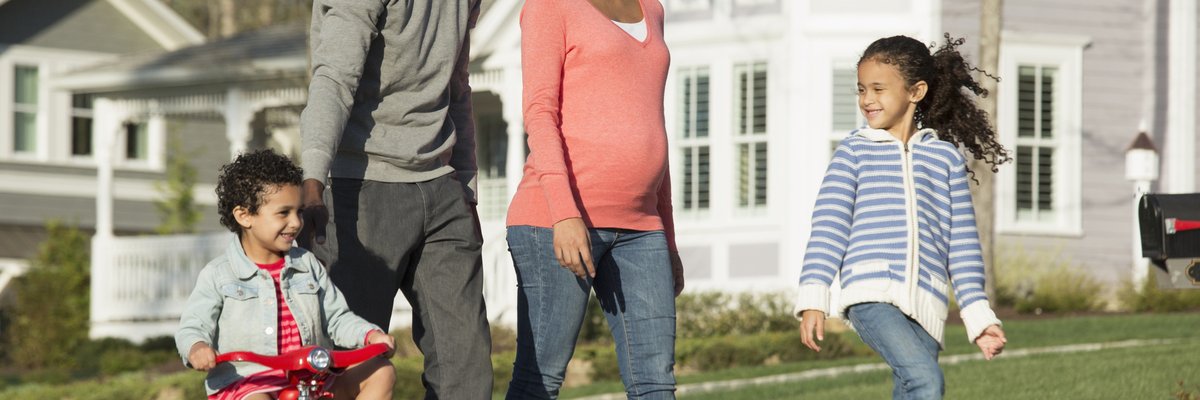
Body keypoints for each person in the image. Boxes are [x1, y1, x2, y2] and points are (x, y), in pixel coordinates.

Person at [795, 35, 1010, 400]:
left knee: (911, 389)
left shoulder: (945, 160)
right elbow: (829, 227)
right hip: (871, 294)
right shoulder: (853, 153)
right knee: (926, 381)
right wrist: (814, 296)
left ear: (916, 91)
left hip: (927, 302)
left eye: (878, 88)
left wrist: (979, 317)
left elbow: (962, 247)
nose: (867, 99)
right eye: (862, 89)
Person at [296, 1, 493, 397]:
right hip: (361, 188)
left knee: (466, 365)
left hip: (442, 186)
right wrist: (313, 179)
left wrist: (466, 185)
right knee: (352, 369)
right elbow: (334, 77)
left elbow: (456, 84)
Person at [505, 0, 684, 398]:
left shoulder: (651, 8)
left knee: (656, 382)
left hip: (642, 227)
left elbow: (653, 125)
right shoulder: (549, 7)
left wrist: (668, 237)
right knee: (540, 379)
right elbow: (539, 112)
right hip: (556, 220)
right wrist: (564, 214)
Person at [176, 149, 397, 400]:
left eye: (299, 211)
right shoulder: (219, 275)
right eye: (284, 213)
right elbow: (193, 326)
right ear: (244, 216)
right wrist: (197, 347)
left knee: (380, 370)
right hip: (249, 384)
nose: (295, 222)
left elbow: (337, 318)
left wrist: (370, 335)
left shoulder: (307, 264)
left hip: (313, 379)